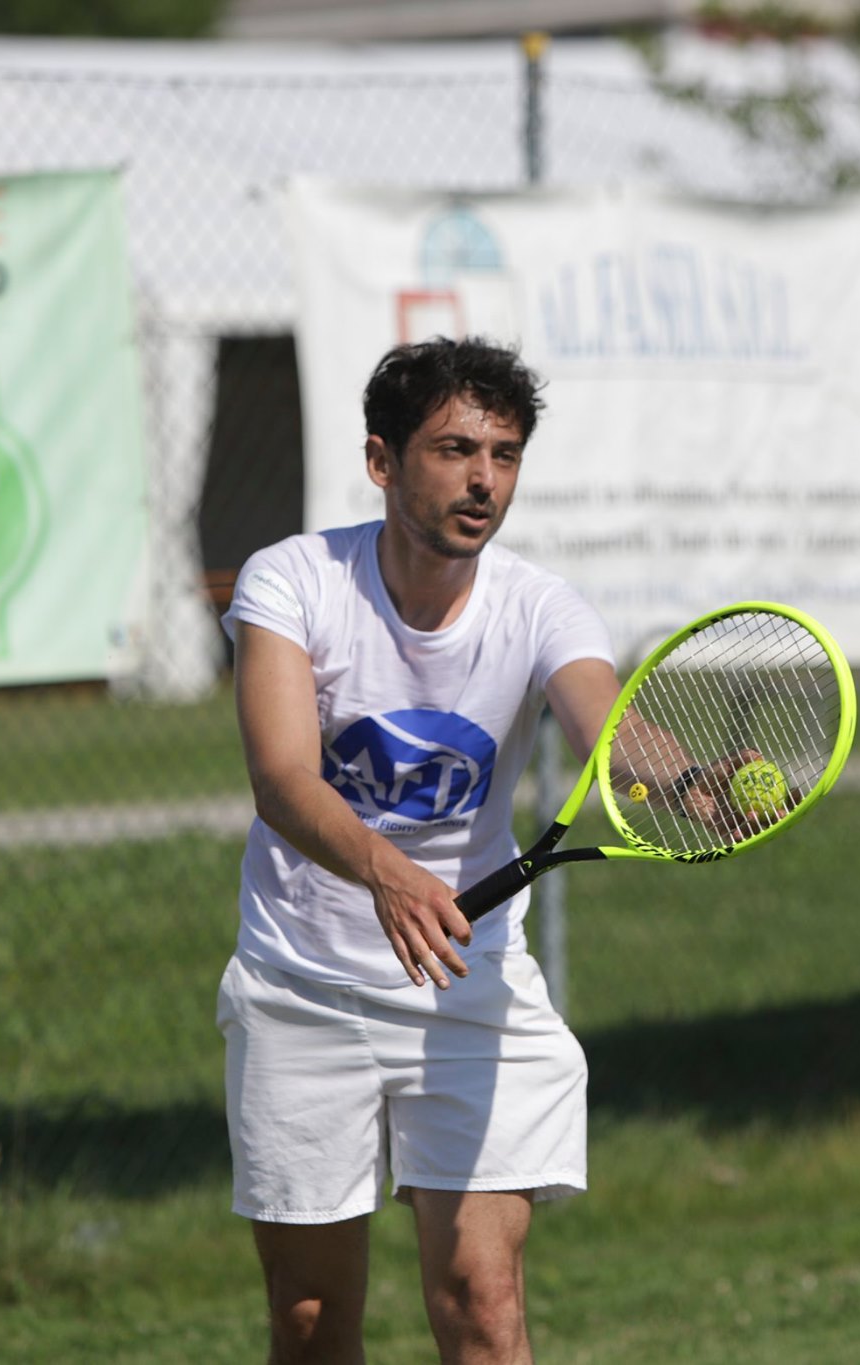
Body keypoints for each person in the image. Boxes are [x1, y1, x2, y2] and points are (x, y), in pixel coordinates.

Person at [216, 336, 619, 1365]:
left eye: (505, 453)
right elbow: (282, 781)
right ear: (381, 460)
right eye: (453, 448)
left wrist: (679, 773)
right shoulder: (291, 583)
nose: (483, 479)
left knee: (481, 1304)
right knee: (309, 1320)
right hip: (302, 986)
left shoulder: (539, 605)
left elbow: (609, 729)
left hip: (466, 991)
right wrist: (391, 875)